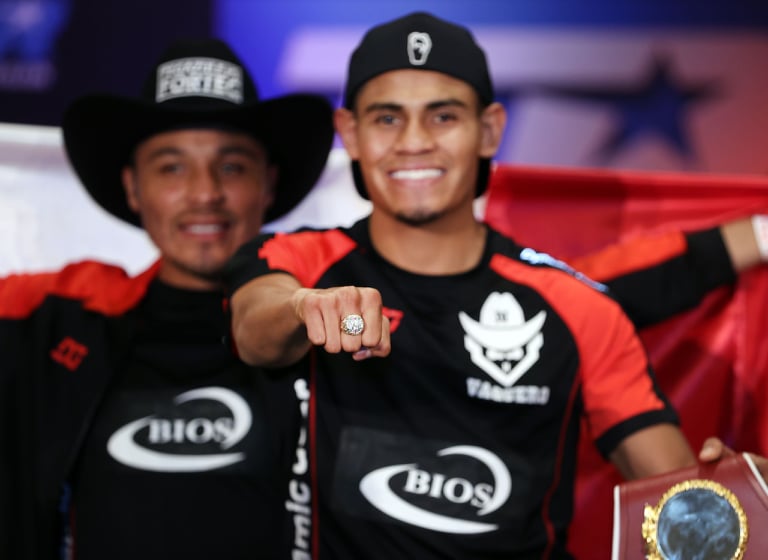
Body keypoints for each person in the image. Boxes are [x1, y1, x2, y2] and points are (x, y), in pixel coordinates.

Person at [225, 12, 768, 559]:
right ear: (350, 134)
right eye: (387, 118)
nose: (414, 142)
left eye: (443, 116)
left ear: (489, 130)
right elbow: (254, 331)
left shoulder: (577, 306)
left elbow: (681, 503)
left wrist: (740, 500)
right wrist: (306, 310)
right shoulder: (299, 260)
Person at [0, 38, 333, 559]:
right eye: (171, 167)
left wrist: (343, 324)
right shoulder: (50, 314)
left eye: (232, 166)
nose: (204, 193)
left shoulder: (321, 318)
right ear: (133, 187)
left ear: (268, 184)